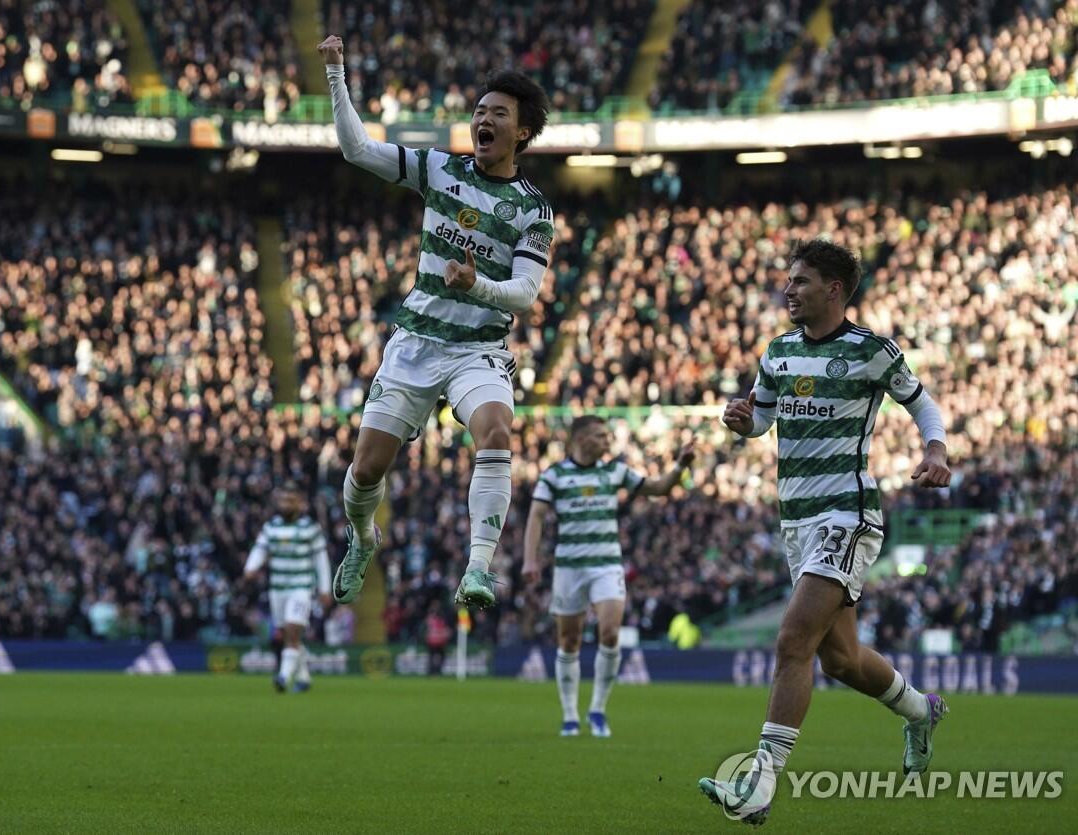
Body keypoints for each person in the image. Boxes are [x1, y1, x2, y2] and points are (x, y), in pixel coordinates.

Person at [698, 239, 953, 825]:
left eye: (801, 281)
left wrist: (935, 450)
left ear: (834, 289)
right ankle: (920, 710)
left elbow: (923, 405)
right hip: (795, 519)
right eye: (790, 281)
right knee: (839, 659)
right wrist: (744, 422)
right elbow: (761, 418)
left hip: (847, 513)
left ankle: (757, 785)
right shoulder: (778, 351)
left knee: (792, 642)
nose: (789, 290)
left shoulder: (871, 351)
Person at [316, 34, 555, 610]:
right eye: (480, 110)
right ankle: (363, 535)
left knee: (497, 432)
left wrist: (477, 285)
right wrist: (336, 73)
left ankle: (478, 569)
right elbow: (357, 149)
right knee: (366, 468)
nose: (483, 118)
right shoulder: (439, 169)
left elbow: (523, 295)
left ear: (521, 131)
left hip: (478, 350)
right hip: (417, 342)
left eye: (498, 112)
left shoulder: (533, 209)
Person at [523, 415, 695, 737]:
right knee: (569, 641)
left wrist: (680, 467)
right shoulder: (555, 476)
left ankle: (598, 711)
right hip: (569, 567)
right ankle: (570, 715)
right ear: (581, 439)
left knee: (611, 633)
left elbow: (657, 488)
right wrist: (530, 560)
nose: (607, 442)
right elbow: (536, 516)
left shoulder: (614, 470)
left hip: (606, 564)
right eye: (601, 436)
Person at [244, 482, 332, 693]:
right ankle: (303, 677)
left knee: (293, 630)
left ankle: (283, 677)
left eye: (290, 501)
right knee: (287, 634)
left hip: (301, 587)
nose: (286, 504)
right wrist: (250, 567)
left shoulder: (310, 528)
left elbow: (321, 559)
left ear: (300, 504)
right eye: (283, 500)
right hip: (277, 588)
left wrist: (325, 588)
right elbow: (260, 549)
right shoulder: (271, 527)